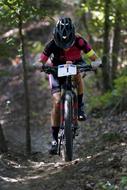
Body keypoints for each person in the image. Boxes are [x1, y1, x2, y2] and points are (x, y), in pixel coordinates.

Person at [39, 17, 101, 154]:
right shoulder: (52, 44)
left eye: (68, 42)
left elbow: (94, 57)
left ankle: (79, 107)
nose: (66, 46)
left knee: (77, 75)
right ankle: (54, 140)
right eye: (62, 42)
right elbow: (41, 60)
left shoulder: (80, 41)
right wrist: (40, 65)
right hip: (56, 69)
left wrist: (96, 62)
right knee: (56, 102)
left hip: (75, 65)